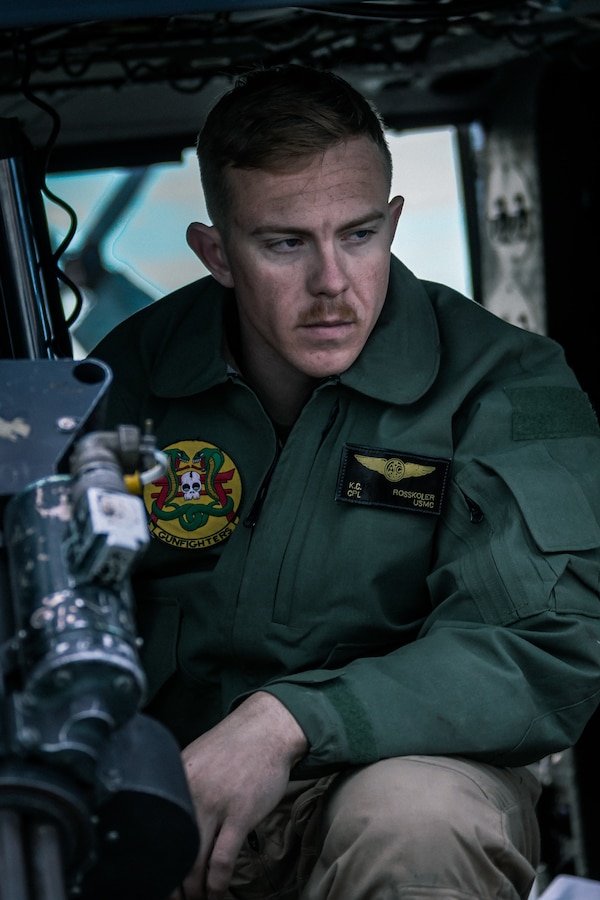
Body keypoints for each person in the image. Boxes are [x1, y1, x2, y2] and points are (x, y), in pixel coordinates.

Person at [91, 64, 600, 900]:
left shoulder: (508, 384)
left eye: (359, 235)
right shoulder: (128, 381)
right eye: (285, 243)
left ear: (392, 222)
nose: (332, 284)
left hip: (385, 776)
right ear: (216, 253)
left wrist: (287, 721)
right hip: (164, 793)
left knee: (418, 821)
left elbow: (549, 644)